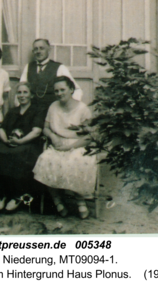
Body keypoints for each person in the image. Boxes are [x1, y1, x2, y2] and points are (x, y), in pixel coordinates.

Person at [33, 76, 96, 219]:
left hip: (78, 145)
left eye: (63, 90)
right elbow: (46, 128)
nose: (59, 93)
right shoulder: (53, 106)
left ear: (71, 90)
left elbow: (89, 137)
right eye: (56, 91)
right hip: (57, 144)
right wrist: (53, 137)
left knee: (76, 161)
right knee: (46, 159)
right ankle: (58, 201)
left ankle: (80, 202)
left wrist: (71, 147)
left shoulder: (82, 109)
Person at [0, 82, 44, 212]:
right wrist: (6, 140)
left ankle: (16, 196)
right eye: (19, 92)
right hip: (10, 143)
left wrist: (20, 142)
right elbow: (2, 129)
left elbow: (36, 131)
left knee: (18, 156)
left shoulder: (36, 111)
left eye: (25, 92)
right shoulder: (12, 111)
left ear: (31, 95)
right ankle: (1, 195)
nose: (22, 95)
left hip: (28, 145)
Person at [19, 38, 82, 117]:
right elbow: (20, 89)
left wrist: (69, 110)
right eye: (36, 49)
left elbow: (76, 90)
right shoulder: (28, 67)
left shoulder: (59, 67)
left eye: (42, 48)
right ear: (33, 52)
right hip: (32, 113)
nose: (38, 51)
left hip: (52, 113)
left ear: (49, 49)